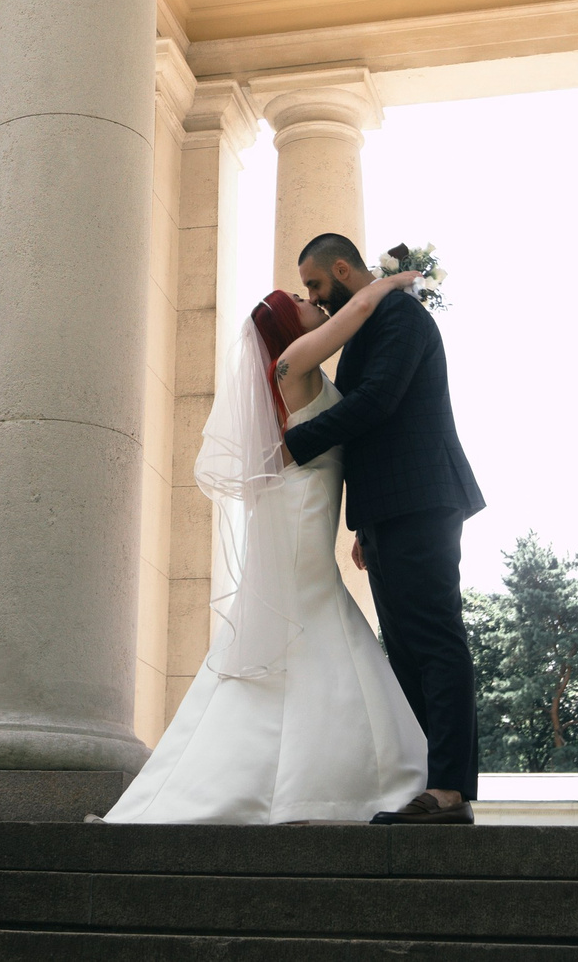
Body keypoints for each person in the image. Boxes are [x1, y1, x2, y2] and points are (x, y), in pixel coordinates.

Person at [104, 270, 428, 825]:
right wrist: (393, 280)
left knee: (302, 624)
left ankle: (292, 776)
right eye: (299, 300)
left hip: (310, 503)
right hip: (300, 510)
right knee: (312, 617)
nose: (310, 302)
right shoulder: (291, 365)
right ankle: (332, 781)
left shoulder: (301, 370)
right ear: (284, 323)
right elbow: (356, 314)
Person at [287, 231, 484, 824]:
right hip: (391, 510)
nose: (315, 299)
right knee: (403, 649)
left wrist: (291, 444)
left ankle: (449, 791)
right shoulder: (368, 326)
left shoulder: (397, 312)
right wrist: (365, 525)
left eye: (316, 284)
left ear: (343, 269)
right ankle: (424, 785)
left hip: (421, 501)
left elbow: (376, 403)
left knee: (434, 639)